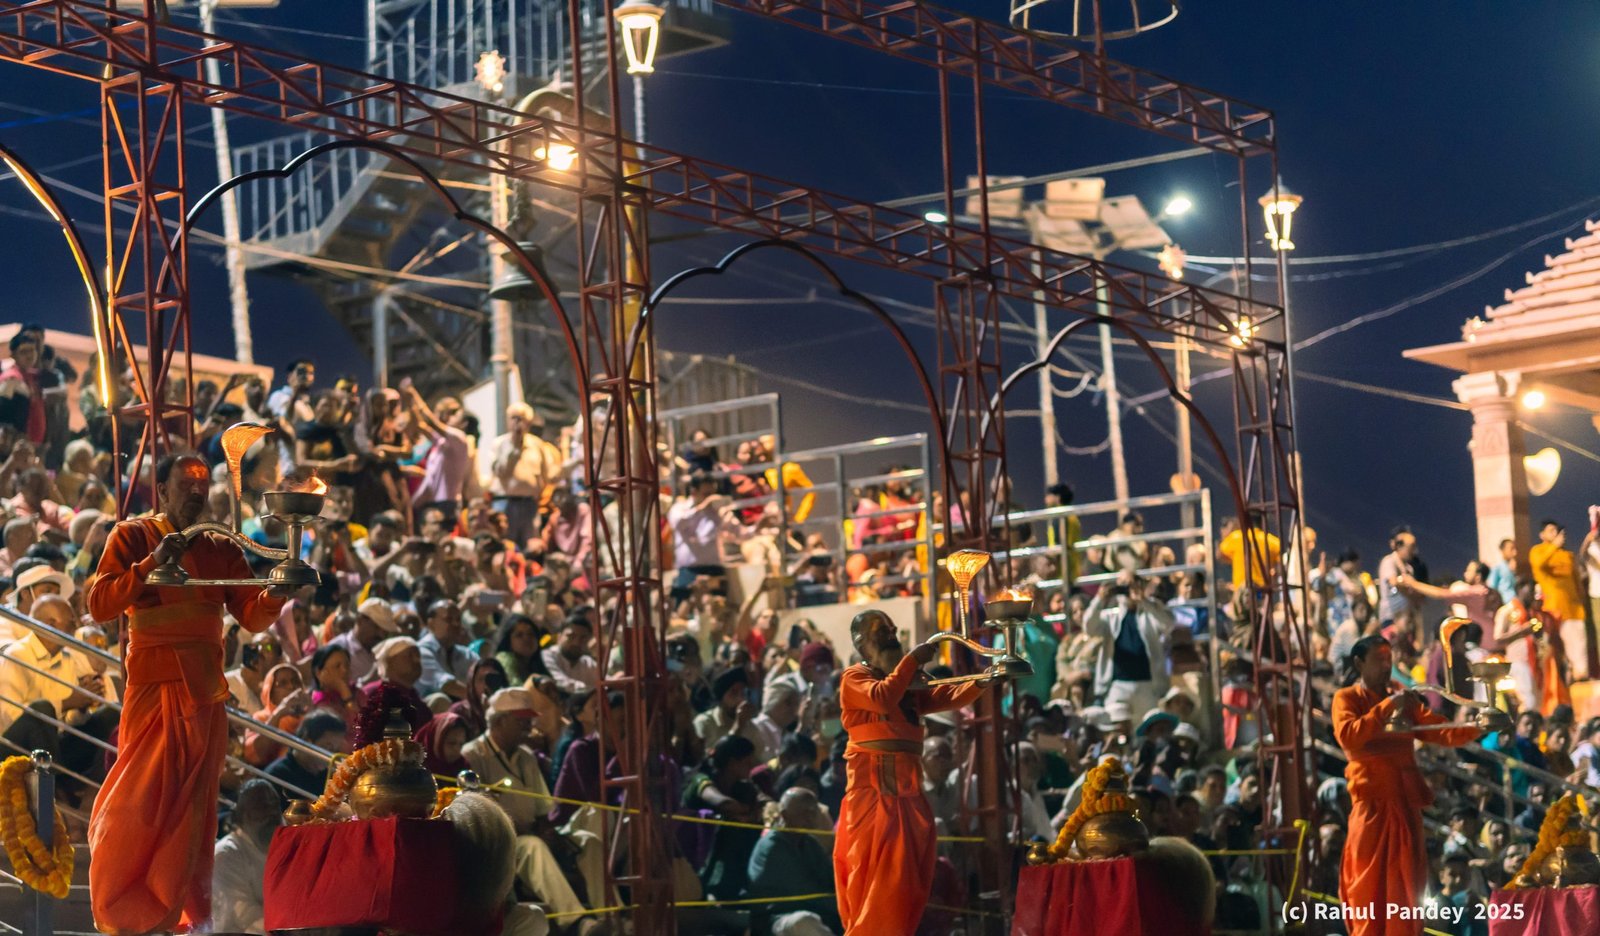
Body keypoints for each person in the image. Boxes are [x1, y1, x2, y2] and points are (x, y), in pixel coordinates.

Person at [85, 454, 290, 934]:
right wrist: (153, 563)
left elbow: (252, 615)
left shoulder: (220, 546)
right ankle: (126, 910)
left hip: (204, 697)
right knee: (141, 803)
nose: (196, 492)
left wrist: (279, 590)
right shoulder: (132, 535)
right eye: (185, 484)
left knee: (194, 814)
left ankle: (181, 916)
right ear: (161, 491)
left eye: (202, 484)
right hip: (154, 689)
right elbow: (100, 603)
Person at [833, 609, 987, 934]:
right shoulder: (855, 678)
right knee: (876, 888)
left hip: (908, 802)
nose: (892, 637)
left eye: (892, 630)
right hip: (873, 802)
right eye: (881, 632)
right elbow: (883, 697)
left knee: (906, 887)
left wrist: (985, 680)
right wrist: (914, 659)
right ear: (862, 644)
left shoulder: (906, 683)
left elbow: (942, 695)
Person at [1334, 635, 1481, 936]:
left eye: (1389, 660)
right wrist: (1387, 707)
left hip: (1404, 805)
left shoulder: (1402, 698)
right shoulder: (1347, 698)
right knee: (1367, 884)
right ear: (1359, 663)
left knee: (1407, 888)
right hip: (1370, 808)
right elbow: (1348, 736)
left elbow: (1438, 730)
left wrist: (1479, 726)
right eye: (1379, 660)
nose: (1387, 667)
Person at [462, 687, 589, 919]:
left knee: (588, 842)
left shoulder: (527, 757)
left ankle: (613, 913)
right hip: (499, 842)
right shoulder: (473, 755)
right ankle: (577, 921)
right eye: (521, 720)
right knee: (532, 846)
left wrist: (548, 830)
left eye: (529, 720)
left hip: (531, 832)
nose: (529, 726)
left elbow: (543, 809)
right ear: (499, 722)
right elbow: (475, 814)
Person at [1082, 568, 1174, 723]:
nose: (1127, 588)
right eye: (1122, 584)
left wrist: (1143, 600)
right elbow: (1089, 627)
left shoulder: (1151, 611)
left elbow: (1168, 623)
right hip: (1117, 686)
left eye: (1130, 584)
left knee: (1147, 729)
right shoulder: (1110, 617)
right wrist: (1099, 599)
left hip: (1148, 685)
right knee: (1116, 731)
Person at [747, 787, 842, 936]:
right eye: (804, 813)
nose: (810, 818)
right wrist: (841, 905)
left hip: (819, 912)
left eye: (813, 812)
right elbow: (805, 893)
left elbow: (830, 879)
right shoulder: (772, 846)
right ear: (785, 815)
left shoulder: (810, 843)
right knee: (802, 921)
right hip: (775, 919)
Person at [211, 779, 283, 935]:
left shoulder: (287, 843)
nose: (271, 813)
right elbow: (245, 916)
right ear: (241, 816)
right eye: (261, 807)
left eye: (275, 805)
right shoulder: (226, 855)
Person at [489, 402, 562, 548]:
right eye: (514, 418)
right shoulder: (499, 444)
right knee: (505, 545)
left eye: (521, 418)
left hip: (529, 504)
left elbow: (550, 475)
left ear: (529, 422)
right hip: (505, 503)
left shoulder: (538, 445)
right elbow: (500, 472)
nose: (517, 422)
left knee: (530, 546)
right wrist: (515, 449)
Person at [1529, 520, 1589, 680]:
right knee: (1553, 652)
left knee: (1578, 649)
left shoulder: (1568, 555)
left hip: (1573, 609)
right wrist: (1553, 546)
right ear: (1542, 535)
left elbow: (1577, 581)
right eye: (1550, 531)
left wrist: (1581, 599)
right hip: (1553, 611)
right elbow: (1539, 565)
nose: (1555, 534)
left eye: (1556, 531)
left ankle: (1579, 681)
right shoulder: (1538, 551)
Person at [264, 711, 344, 801]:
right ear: (307, 740)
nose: (331, 756)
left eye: (335, 750)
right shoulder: (277, 775)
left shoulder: (328, 776)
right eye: (327, 747)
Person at [326, 597, 398, 685]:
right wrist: (368, 681)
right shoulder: (337, 649)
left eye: (385, 632)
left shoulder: (383, 652)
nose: (381, 635)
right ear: (360, 620)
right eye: (376, 628)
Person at [542, 613, 599, 695]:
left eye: (583, 638)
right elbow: (560, 683)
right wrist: (592, 690)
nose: (576, 643)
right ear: (559, 636)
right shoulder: (548, 656)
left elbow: (605, 681)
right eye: (571, 636)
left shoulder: (587, 662)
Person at [1487, 538, 1519, 606]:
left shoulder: (1511, 567)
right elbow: (1492, 587)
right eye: (1511, 549)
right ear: (1503, 550)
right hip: (1504, 603)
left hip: (1514, 601)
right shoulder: (1498, 568)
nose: (1514, 552)